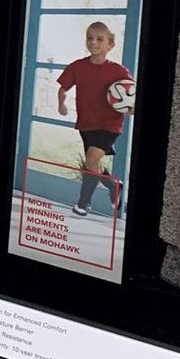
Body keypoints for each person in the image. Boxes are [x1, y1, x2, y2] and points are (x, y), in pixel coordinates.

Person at [56, 20, 131, 218]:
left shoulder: (119, 71)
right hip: (86, 123)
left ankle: (83, 203)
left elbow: (131, 96)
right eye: (90, 38)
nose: (93, 42)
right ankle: (113, 185)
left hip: (110, 124)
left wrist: (131, 108)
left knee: (91, 159)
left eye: (99, 39)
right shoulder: (77, 67)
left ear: (110, 45)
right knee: (92, 165)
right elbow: (63, 88)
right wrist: (61, 105)